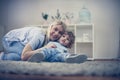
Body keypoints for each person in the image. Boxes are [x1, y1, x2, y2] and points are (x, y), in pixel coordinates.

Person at [0, 20, 67, 61]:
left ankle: (5, 55)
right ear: (51, 27)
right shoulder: (40, 35)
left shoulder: (50, 40)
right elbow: (24, 56)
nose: (56, 33)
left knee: (27, 55)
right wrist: (45, 48)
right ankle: (2, 56)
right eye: (55, 29)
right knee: (23, 56)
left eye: (60, 33)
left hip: (20, 42)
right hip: (10, 39)